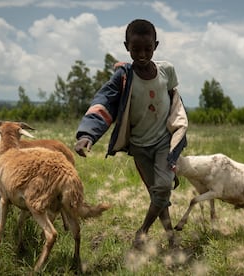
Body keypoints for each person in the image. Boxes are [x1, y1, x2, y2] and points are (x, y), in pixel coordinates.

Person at [74, 19, 188, 249]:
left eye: (148, 48)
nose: (142, 54)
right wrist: (87, 135)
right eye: (136, 49)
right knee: (158, 194)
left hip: (163, 142)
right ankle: (170, 237)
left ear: (156, 45)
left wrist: (179, 130)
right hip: (140, 147)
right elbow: (104, 101)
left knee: (163, 187)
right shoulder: (124, 78)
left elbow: (174, 99)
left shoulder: (166, 70)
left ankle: (143, 231)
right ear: (127, 47)